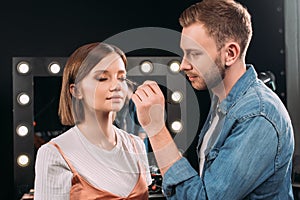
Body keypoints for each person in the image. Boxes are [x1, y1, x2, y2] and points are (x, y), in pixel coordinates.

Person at [131, 0, 295, 199]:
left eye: (194, 54)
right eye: (184, 53)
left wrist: (156, 127)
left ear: (230, 54)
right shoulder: (222, 101)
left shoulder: (257, 115)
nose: (183, 65)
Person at [34, 42, 152, 199]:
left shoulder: (136, 146)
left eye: (121, 78)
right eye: (103, 78)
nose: (116, 86)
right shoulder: (54, 154)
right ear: (76, 90)